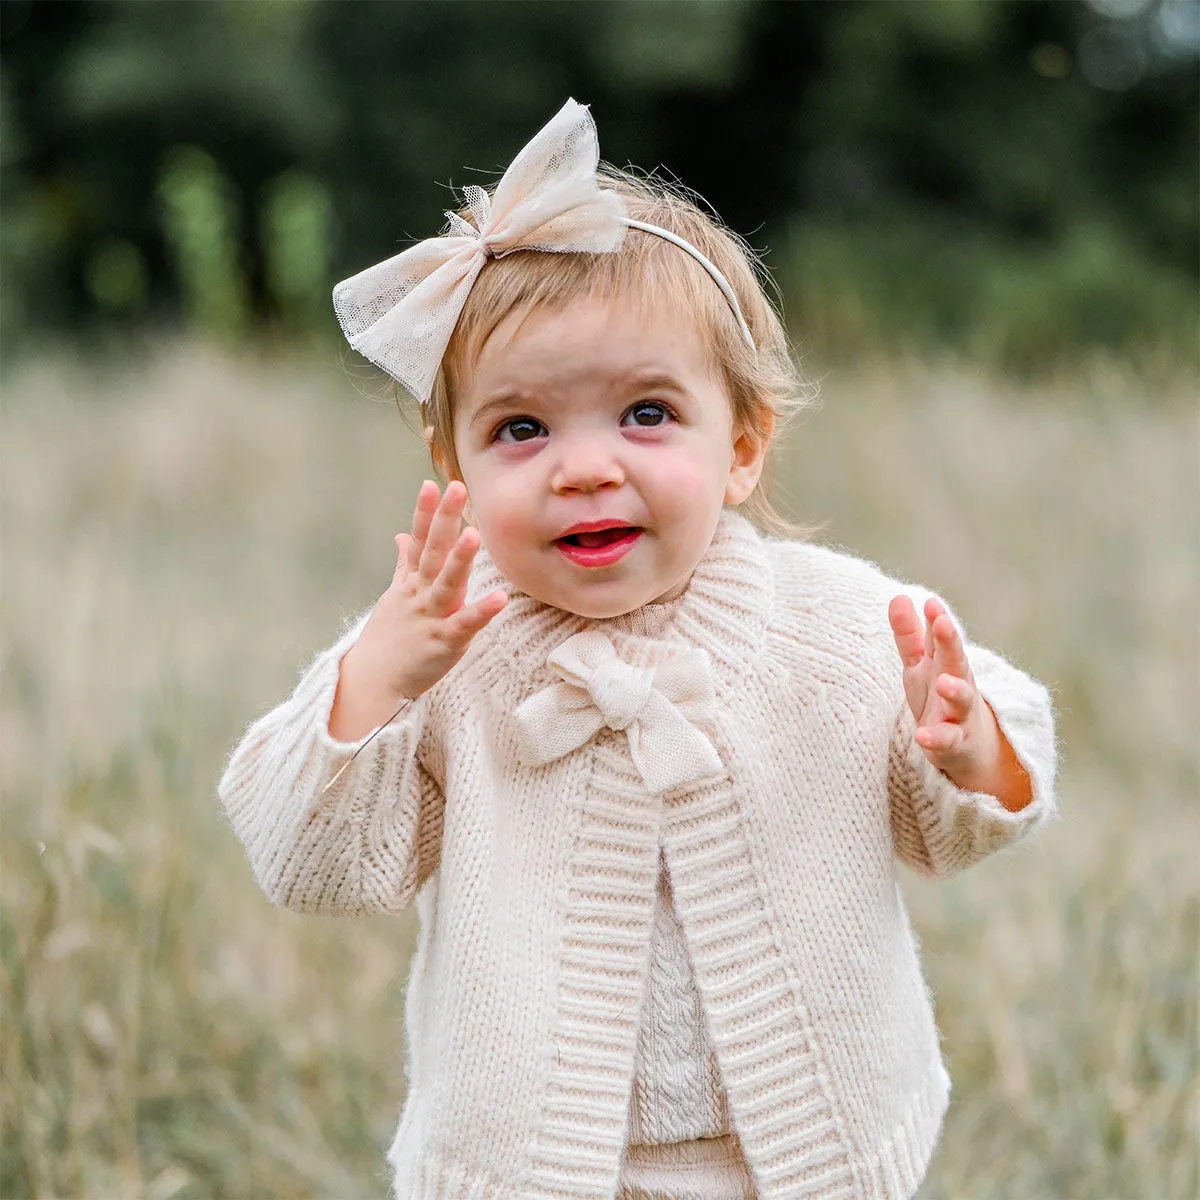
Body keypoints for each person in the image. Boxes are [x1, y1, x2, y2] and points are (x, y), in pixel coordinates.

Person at [218, 99, 1058, 1200]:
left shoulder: (839, 625)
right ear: (457, 463)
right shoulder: (444, 650)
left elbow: (959, 827)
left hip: (802, 1160)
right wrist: (376, 674)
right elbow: (314, 864)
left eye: (646, 414)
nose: (583, 467)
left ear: (743, 445)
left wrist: (968, 747)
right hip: (535, 1171)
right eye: (522, 428)